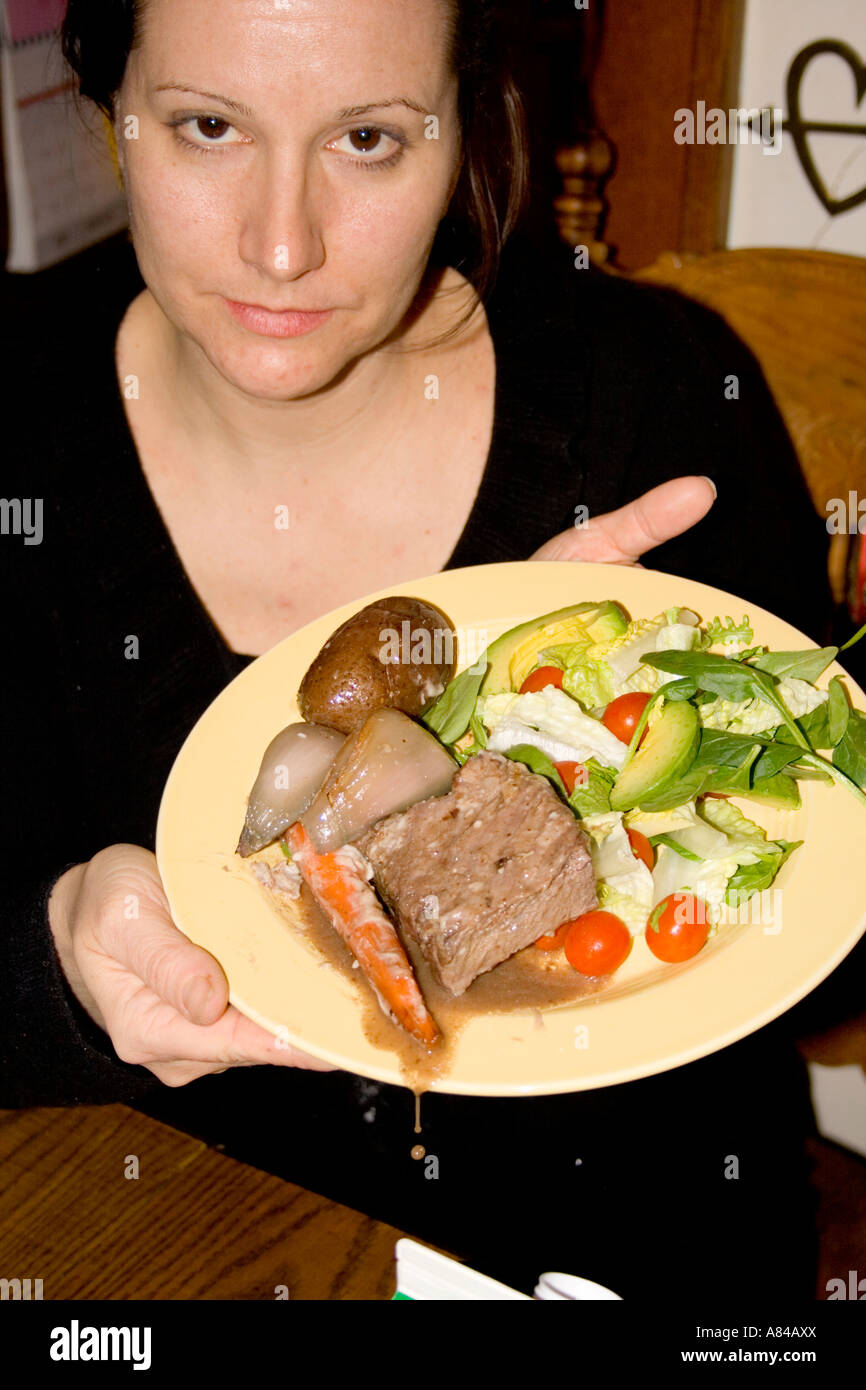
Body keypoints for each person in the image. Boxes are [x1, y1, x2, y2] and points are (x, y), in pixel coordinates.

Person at [1, 0, 832, 1296]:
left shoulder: (653, 401)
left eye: (370, 140)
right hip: (176, 1253)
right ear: (110, 110)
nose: (283, 243)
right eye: (209, 125)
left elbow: (833, 929)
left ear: (468, 123)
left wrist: (625, 773)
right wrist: (51, 962)